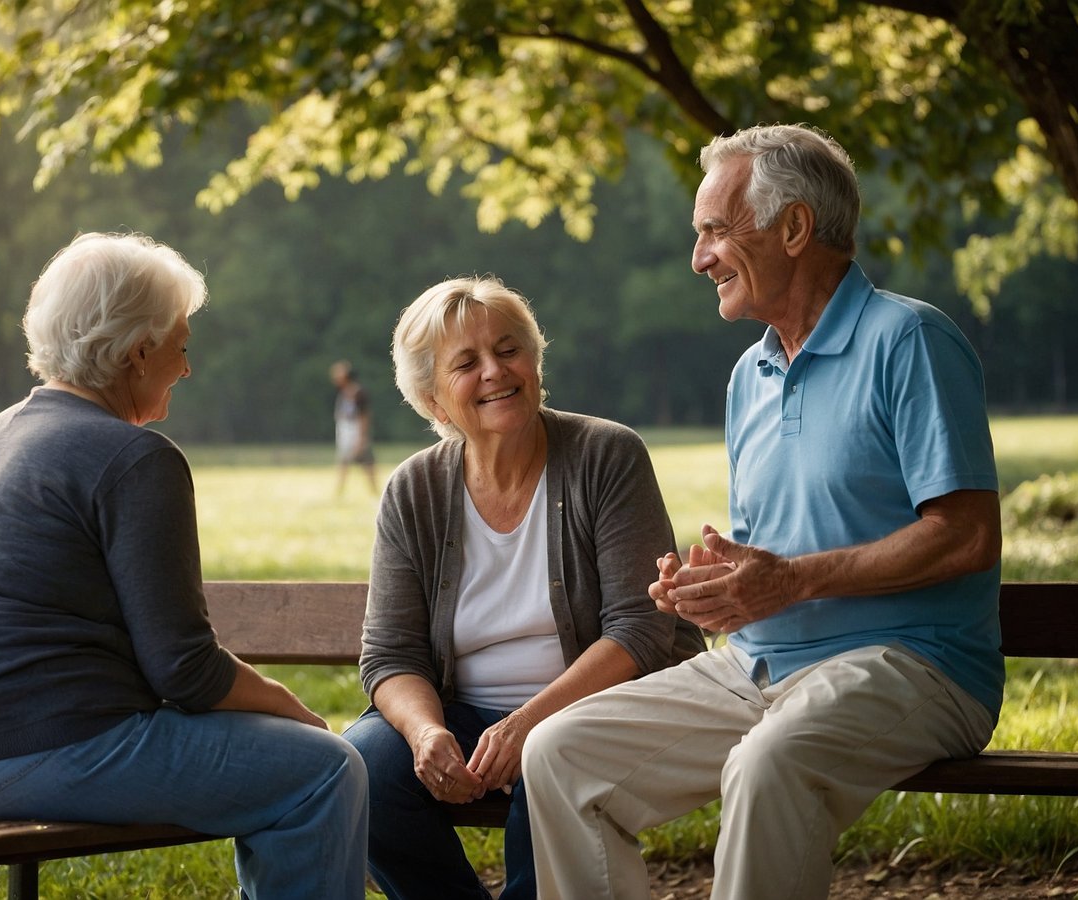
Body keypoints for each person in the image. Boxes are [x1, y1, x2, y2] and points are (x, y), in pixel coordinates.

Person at [522, 124, 1003, 900]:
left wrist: (792, 581)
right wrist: (715, 587)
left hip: (913, 663)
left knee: (768, 761)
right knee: (559, 752)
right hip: (757, 665)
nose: (699, 257)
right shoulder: (750, 374)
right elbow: (771, 557)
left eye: (716, 230)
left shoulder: (910, 340)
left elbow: (968, 536)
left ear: (794, 228)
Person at [0, 232, 369, 900]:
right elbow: (187, 670)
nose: (186, 369)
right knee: (326, 768)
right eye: (182, 346)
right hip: (30, 754)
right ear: (139, 350)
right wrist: (292, 708)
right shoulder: (136, 458)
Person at [342, 275, 706, 900]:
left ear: (534, 362)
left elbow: (641, 630)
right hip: (462, 716)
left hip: (592, 710)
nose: (495, 370)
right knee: (361, 768)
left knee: (552, 759)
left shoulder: (606, 455)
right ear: (433, 401)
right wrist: (427, 734)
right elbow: (391, 654)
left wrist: (528, 724)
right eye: (466, 363)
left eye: (509, 349)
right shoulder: (413, 490)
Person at [331, 359, 378, 496]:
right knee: (343, 462)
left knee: (367, 463)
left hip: (356, 432)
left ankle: (375, 492)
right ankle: (339, 492)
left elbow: (364, 416)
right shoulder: (343, 393)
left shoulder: (358, 392)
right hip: (345, 432)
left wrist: (361, 438)